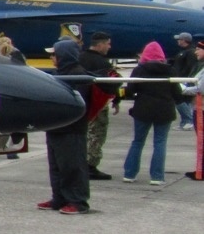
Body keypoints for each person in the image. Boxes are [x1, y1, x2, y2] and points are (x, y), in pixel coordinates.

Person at [39, 39, 92, 214]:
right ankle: (59, 198)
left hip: (71, 128)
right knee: (56, 166)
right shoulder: (59, 73)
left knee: (72, 166)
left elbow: (79, 103)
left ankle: (77, 201)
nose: (52, 57)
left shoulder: (77, 74)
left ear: (63, 55)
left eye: (54, 54)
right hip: (55, 127)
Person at [121, 40, 181, 186]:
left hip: (143, 109)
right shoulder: (170, 70)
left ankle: (129, 174)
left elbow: (130, 90)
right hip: (164, 110)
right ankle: (157, 176)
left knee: (138, 141)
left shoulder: (139, 70)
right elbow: (177, 94)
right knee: (160, 143)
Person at [79, 31, 119, 180]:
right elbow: (113, 83)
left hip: (81, 103)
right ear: (100, 44)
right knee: (97, 134)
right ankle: (90, 165)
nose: (109, 47)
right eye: (108, 43)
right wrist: (116, 100)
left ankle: (81, 162)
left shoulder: (80, 58)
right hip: (98, 104)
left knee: (84, 134)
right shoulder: (102, 63)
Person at [170, 32, 200, 129]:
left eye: (179, 39)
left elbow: (191, 67)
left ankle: (188, 121)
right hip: (179, 79)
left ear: (184, 40)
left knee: (181, 100)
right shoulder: (183, 52)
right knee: (181, 100)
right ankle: (185, 121)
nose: (178, 41)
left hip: (184, 80)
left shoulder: (190, 52)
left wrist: (186, 80)